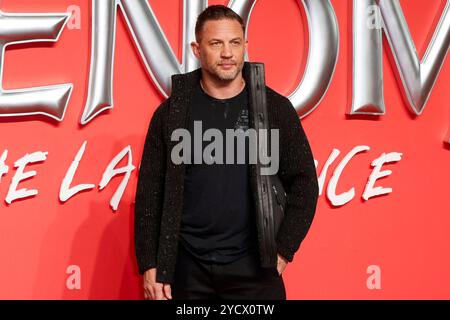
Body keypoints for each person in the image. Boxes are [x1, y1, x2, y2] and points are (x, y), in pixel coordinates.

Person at [134, 5, 319, 300]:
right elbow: (149, 192)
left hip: (254, 269)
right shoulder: (171, 114)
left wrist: (284, 248)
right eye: (216, 43)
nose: (227, 53)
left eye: (235, 43)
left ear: (245, 45)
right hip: (186, 268)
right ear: (197, 49)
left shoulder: (276, 109)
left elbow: (305, 182)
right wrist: (150, 262)